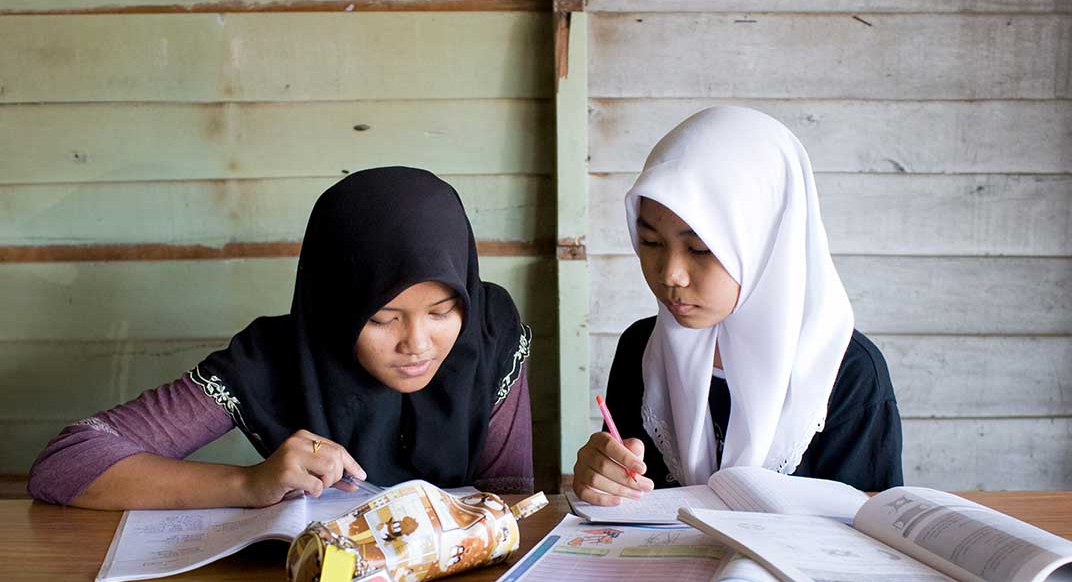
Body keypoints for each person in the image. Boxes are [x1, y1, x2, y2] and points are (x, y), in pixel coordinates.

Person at [28, 167, 533, 509]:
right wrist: (248, 483)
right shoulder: (271, 359)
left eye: (442, 312)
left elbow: (511, 500)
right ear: (337, 304)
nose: (417, 344)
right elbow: (66, 463)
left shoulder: (489, 333)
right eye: (383, 319)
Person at [573, 107, 902, 506]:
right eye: (651, 243)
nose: (671, 274)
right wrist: (602, 481)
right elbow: (626, 512)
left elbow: (875, 528)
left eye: (701, 248)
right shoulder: (641, 351)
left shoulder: (845, 371)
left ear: (767, 245)